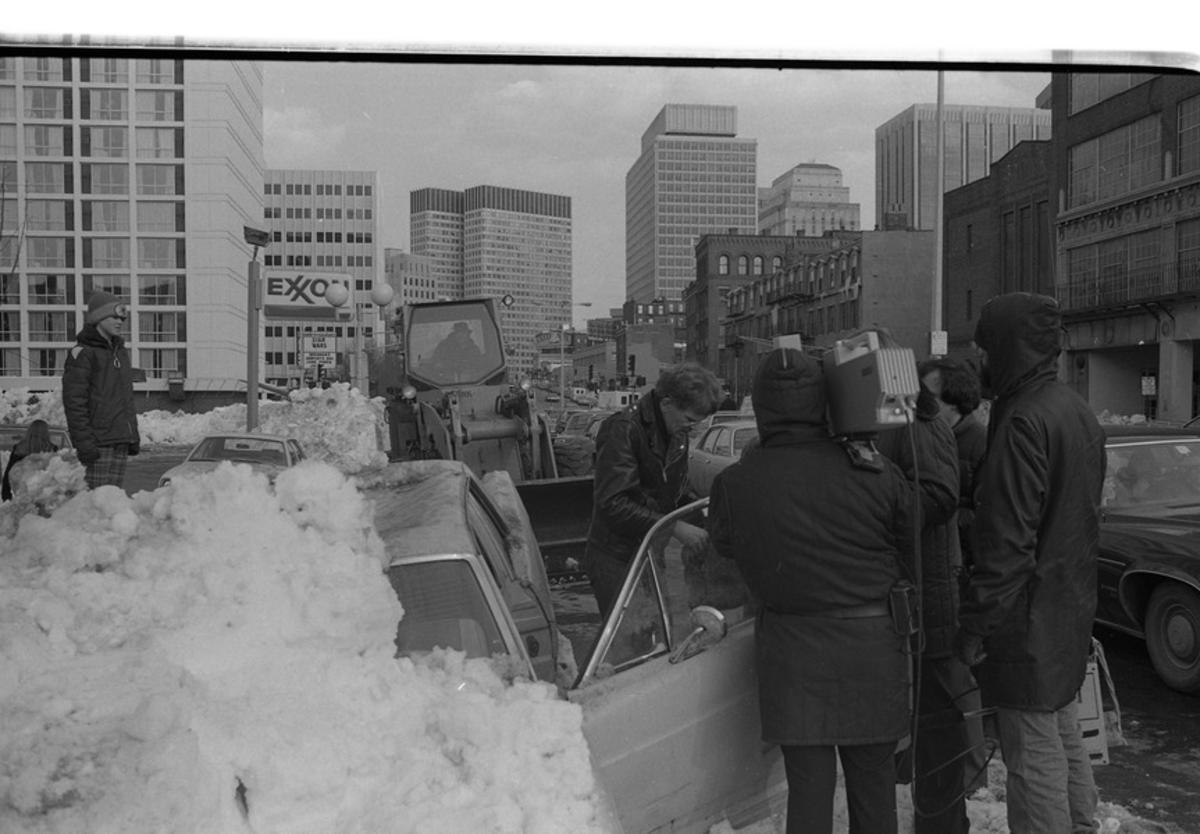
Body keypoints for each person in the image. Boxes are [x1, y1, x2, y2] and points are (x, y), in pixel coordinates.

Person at [708, 347, 917, 834]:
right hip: (872, 649)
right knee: (874, 787)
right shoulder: (875, 472)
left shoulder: (735, 484)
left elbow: (725, 546)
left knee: (807, 792)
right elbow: (913, 529)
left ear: (760, 408)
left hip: (793, 655)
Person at [954, 292, 1106, 834]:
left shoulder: (1021, 422)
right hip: (1066, 610)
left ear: (1008, 349)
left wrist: (974, 627)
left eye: (984, 348)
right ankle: (1082, 825)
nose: (979, 360)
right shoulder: (1074, 409)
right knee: (1063, 735)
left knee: (1032, 759)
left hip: (1028, 619)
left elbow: (1006, 546)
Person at [876, 379, 969, 834]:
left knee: (934, 724)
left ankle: (943, 826)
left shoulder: (917, 419)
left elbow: (938, 496)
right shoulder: (886, 416)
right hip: (897, 596)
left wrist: (871, 489)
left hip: (925, 597)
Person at [584, 361, 720, 618]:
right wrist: (674, 527)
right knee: (631, 638)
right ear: (666, 403)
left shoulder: (676, 434)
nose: (691, 428)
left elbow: (675, 495)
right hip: (616, 557)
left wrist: (706, 520)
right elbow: (613, 503)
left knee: (655, 630)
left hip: (648, 550)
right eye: (689, 419)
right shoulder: (623, 428)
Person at [919, 356, 991, 797]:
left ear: (954, 400)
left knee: (957, 678)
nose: (920, 403)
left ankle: (973, 773)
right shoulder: (939, 437)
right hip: (945, 576)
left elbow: (988, 516)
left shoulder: (977, 442)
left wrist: (945, 517)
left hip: (961, 579)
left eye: (929, 394)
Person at [62, 291, 141, 489]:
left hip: (120, 440)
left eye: (122, 318)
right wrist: (85, 445)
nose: (120, 321)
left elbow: (126, 400)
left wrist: (132, 435)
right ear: (98, 317)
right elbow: (75, 404)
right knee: (95, 506)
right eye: (114, 316)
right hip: (98, 444)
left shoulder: (120, 352)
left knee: (112, 504)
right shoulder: (82, 353)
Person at [2, 420, 59, 501]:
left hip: (22, 496)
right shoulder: (51, 449)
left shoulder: (19, 449)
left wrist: (6, 497)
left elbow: (8, 473)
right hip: (44, 496)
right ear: (46, 432)